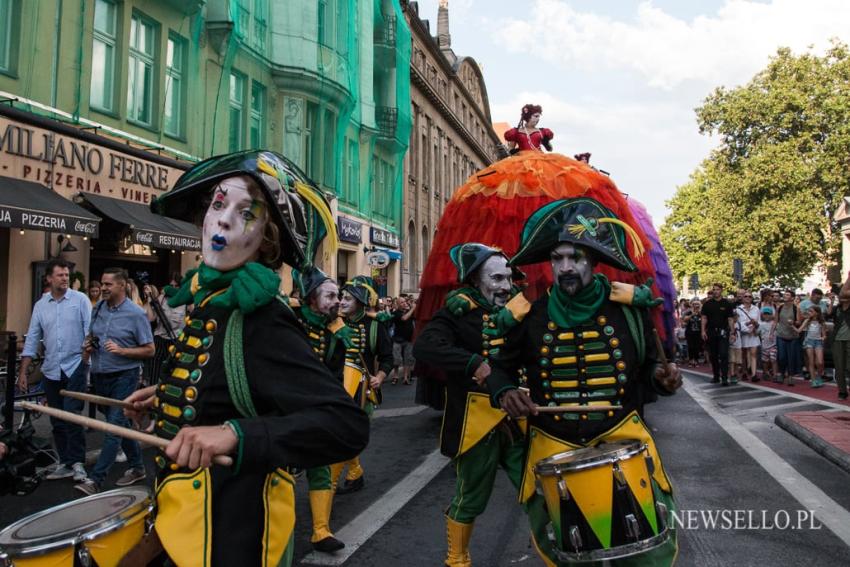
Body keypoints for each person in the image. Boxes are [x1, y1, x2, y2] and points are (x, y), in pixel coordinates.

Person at [123, 151, 369, 565]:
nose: (223, 220)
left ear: (266, 240)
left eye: (246, 213)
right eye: (218, 205)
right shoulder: (213, 299)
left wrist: (237, 434)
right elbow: (222, 381)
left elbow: (345, 424)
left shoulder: (263, 317)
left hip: (234, 533)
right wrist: (167, 398)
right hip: (185, 515)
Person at [487, 198, 680, 567]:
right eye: (557, 259)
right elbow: (500, 368)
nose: (565, 267)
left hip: (621, 433)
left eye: (575, 258)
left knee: (648, 552)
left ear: (592, 261)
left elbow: (650, 369)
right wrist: (506, 390)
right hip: (553, 440)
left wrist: (663, 380)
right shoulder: (529, 314)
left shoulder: (629, 310)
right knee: (566, 554)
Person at [414, 243, 535, 567]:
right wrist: (471, 363)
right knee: (470, 497)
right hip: (477, 422)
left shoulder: (520, 310)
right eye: (496, 278)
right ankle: (456, 560)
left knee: (536, 489)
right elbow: (425, 347)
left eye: (508, 278)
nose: (505, 286)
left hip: (518, 417)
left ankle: (555, 552)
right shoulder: (457, 311)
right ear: (475, 280)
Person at [75, 267, 154, 495]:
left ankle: (95, 481)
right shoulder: (98, 308)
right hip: (101, 375)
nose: (103, 288)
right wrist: (88, 346)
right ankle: (138, 468)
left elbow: (150, 350)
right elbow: (91, 335)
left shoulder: (135, 314)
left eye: (108, 284)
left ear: (122, 285)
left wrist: (122, 351)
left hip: (125, 376)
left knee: (112, 427)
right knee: (121, 423)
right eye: (102, 283)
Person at [291, 266, 353, 553]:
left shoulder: (336, 334)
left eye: (338, 295)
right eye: (330, 296)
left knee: (321, 469)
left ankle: (321, 531)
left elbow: (335, 377)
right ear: (311, 299)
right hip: (282, 409)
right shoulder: (289, 320)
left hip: (315, 410)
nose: (338, 301)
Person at [17, 258, 91, 482]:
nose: (65, 278)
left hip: (75, 366)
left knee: (71, 416)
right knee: (56, 419)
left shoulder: (80, 300)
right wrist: (23, 372)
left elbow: (90, 333)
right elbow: (32, 339)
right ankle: (66, 462)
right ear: (49, 278)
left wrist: (85, 362)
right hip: (51, 369)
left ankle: (78, 463)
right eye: (60, 275)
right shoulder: (41, 305)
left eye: (67, 275)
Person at [333, 276, 394, 496]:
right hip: (334, 385)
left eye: (347, 298)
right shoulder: (333, 322)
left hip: (361, 388)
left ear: (359, 302)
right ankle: (355, 471)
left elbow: (387, 357)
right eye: (341, 297)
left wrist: (380, 376)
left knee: (347, 432)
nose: (341, 301)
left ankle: (341, 477)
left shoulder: (374, 326)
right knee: (343, 432)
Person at [701, 283, 735, 385]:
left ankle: (724, 377)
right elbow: (704, 318)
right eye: (714, 289)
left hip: (723, 332)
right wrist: (703, 331)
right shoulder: (707, 304)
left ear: (721, 290)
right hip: (711, 332)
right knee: (713, 355)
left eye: (717, 289)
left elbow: (730, 319)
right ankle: (716, 376)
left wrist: (733, 332)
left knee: (724, 354)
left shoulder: (727, 303)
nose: (716, 291)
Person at [776, 290, 803, 386]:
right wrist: (772, 333)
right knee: (782, 356)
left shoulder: (796, 308)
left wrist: (793, 322)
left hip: (792, 336)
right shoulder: (780, 307)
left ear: (792, 297)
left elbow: (799, 322)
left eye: (787, 295)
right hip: (781, 334)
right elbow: (776, 321)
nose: (785, 296)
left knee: (791, 357)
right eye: (784, 294)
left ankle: (791, 375)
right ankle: (781, 373)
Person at [830, 274, 850, 400]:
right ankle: (842, 391)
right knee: (839, 367)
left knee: (849, 367)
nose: (840, 297)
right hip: (837, 340)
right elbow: (827, 315)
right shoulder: (837, 309)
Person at [797, 305, 827, 388]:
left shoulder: (821, 322)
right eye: (809, 311)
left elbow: (824, 335)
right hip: (809, 341)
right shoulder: (807, 321)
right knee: (811, 362)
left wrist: (823, 338)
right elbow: (799, 330)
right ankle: (813, 380)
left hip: (818, 342)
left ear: (816, 313)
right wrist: (791, 326)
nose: (809, 313)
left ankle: (819, 377)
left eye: (811, 311)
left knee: (820, 362)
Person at [735, 291, 761, 382]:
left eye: (750, 296)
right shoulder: (738, 309)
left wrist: (755, 325)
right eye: (746, 296)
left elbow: (759, 322)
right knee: (744, 355)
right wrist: (748, 325)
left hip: (753, 334)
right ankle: (745, 371)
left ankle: (754, 374)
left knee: (753, 354)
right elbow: (737, 323)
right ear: (742, 298)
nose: (748, 298)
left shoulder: (756, 309)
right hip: (743, 335)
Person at [391, 295, 416, 385]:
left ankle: (405, 377)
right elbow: (404, 318)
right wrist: (412, 309)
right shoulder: (396, 313)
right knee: (396, 359)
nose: (404, 303)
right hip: (398, 339)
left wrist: (412, 307)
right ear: (398, 305)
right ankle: (395, 376)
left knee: (407, 359)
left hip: (409, 339)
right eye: (402, 302)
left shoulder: (409, 311)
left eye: (405, 302)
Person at [758, 307, 779, 382]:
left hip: (773, 345)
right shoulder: (761, 324)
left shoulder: (774, 323)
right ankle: (766, 372)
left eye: (768, 314)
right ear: (762, 315)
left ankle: (775, 374)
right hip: (764, 345)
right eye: (765, 314)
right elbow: (757, 333)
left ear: (771, 315)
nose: (766, 316)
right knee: (765, 361)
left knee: (773, 360)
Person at [683, 299, 703, 367]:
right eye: (694, 304)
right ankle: (691, 360)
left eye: (697, 304)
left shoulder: (701, 312)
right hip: (690, 332)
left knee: (697, 347)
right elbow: (685, 319)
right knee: (691, 346)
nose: (695, 305)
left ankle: (696, 360)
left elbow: (704, 319)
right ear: (692, 305)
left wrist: (699, 313)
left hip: (698, 332)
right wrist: (692, 314)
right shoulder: (689, 312)